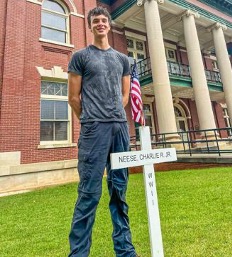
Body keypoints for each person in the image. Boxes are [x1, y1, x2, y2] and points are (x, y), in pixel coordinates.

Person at [67, 6, 139, 257]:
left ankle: (125, 250)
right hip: (93, 131)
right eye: (95, 20)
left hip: (119, 129)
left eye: (103, 20)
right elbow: (73, 98)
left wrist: (113, 115)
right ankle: (78, 253)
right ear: (90, 26)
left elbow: (125, 95)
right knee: (89, 192)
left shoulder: (122, 60)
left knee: (119, 189)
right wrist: (89, 119)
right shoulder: (81, 57)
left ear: (109, 25)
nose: (100, 23)